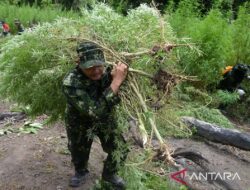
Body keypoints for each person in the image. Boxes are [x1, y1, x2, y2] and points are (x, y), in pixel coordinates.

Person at [62, 42, 129, 189]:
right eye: (90, 67)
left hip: (104, 118)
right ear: (79, 63)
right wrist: (116, 82)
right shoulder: (71, 82)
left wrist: (158, 52)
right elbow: (94, 111)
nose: (97, 71)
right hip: (79, 121)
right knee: (78, 149)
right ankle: (81, 172)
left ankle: (109, 174)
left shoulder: (106, 71)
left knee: (120, 147)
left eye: (99, 65)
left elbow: (128, 62)